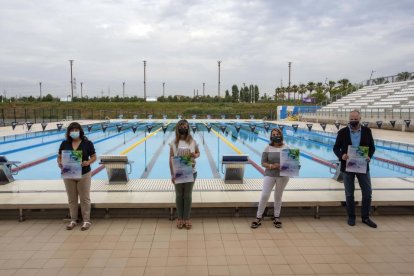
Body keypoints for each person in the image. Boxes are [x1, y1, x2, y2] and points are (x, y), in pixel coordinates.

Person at [333, 110, 377, 228]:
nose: (353, 121)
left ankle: (365, 217)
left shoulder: (367, 131)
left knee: (367, 193)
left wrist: (369, 156)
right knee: (349, 193)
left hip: (363, 166)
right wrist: (341, 155)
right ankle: (351, 216)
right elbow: (336, 148)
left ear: (360, 118)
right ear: (349, 119)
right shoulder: (342, 132)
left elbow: (372, 147)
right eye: (351, 119)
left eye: (355, 119)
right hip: (347, 167)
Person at [57, 122, 96, 231]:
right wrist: (59, 163)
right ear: (69, 132)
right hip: (69, 174)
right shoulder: (64, 144)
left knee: (85, 198)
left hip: (84, 174)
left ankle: (86, 221)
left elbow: (93, 157)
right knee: (72, 198)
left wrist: (88, 162)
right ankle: (73, 220)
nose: (74, 132)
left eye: (76, 130)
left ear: (80, 131)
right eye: (72, 130)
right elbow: (59, 157)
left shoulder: (87, 143)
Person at [251, 128, 290, 229]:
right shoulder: (267, 147)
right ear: (271, 136)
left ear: (280, 135)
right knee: (264, 195)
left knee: (278, 196)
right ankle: (258, 217)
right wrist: (272, 166)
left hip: (283, 176)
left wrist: (281, 165)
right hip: (270, 174)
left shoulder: (287, 147)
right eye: (273, 134)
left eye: (277, 134)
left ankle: (277, 217)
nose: (275, 136)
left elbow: (291, 164)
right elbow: (263, 162)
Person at [169, 119, 200, 229]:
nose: (183, 128)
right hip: (178, 172)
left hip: (191, 171)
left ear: (188, 128)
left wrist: (194, 155)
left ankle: (186, 218)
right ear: (178, 128)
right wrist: (172, 174)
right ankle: (179, 218)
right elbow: (170, 159)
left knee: (187, 195)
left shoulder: (192, 141)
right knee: (178, 195)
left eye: (186, 126)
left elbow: (198, 153)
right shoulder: (173, 142)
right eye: (181, 126)